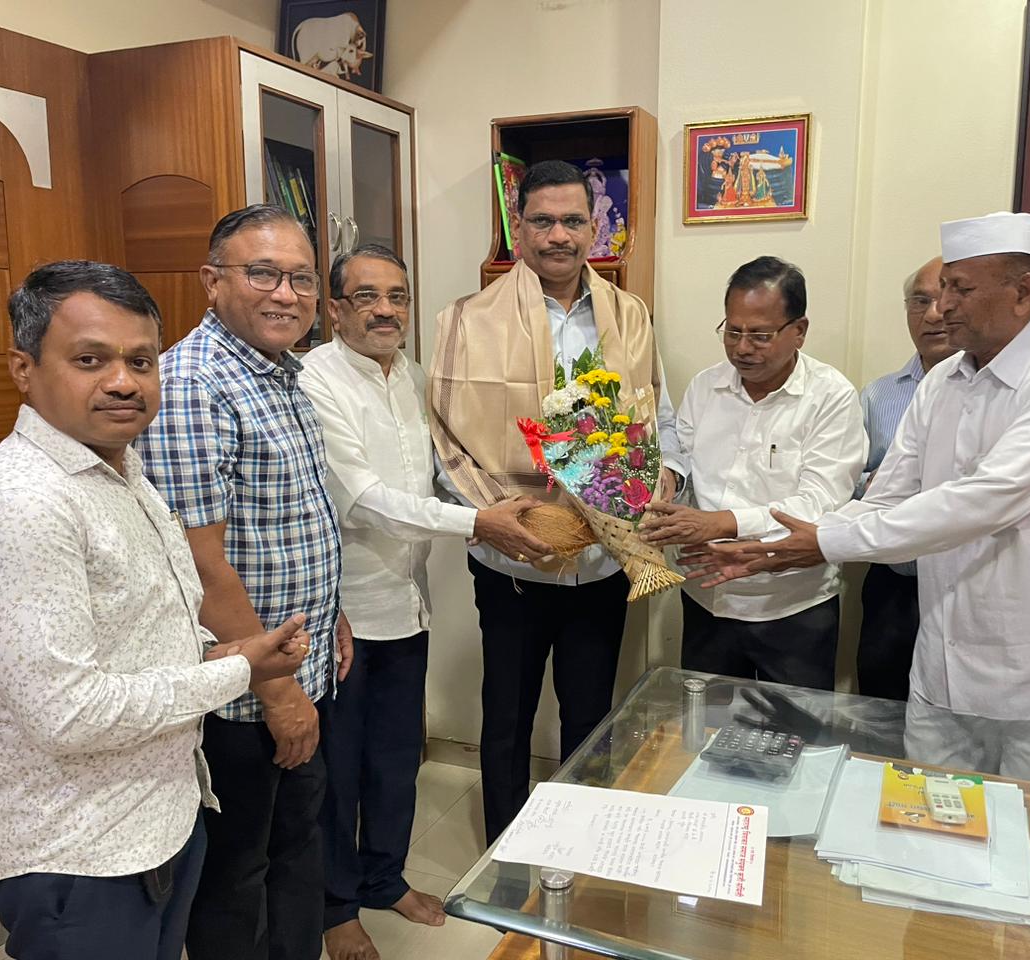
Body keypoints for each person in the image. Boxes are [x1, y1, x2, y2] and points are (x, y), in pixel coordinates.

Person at [0, 261, 311, 960]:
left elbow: (137, 633)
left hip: (158, 821)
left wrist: (220, 651)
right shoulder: (23, 504)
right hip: (82, 854)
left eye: (140, 361)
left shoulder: (117, 468)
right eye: (89, 360)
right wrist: (238, 671)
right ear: (23, 369)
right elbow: (69, 714)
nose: (123, 382)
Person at [682, 212, 1030, 781]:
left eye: (960, 290)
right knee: (931, 820)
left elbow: (986, 499)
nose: (941, 308)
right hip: (942, 668)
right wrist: (779, 548)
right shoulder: (940, 382)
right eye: (939, 291)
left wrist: (823, 542)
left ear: (1022, 292)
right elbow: (885, 496)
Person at [428, 159, 685, 844]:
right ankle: (504, 856)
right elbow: (445, 432)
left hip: (602, 561)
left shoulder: (630, 315)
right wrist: (497, 518)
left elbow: (656, 414)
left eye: (573, 220)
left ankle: (578, 843)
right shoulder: (467, 319)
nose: (558, 236)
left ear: (595, 228)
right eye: (542, 221)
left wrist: (660, 480)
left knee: (590, 713)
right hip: (511, 558)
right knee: (506, 715)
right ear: (518, 228)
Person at [300, 244, 543, 960]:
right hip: (342, 613)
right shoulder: (315, 380)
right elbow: (364, 499)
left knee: (397, 758)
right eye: (366, 297)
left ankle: (384, 878)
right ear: (335, 309)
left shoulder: (413, 377)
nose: (385, 311)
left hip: (408, 604)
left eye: (397, 297)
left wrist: (532, 491)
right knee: (339, 769)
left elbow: (446, 471)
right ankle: (337, 907)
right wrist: (480, 522)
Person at [138, 205, 351, 960]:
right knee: (238, 878)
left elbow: (288, 518)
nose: (287, 294)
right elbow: (201, 564)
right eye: (263, 274)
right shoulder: (194, 384)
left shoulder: (281, 372)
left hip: (299, 661)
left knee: (296, 847)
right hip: (244, 694)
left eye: (301, 278)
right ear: (212, 281)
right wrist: (277, 692)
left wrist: (332, 612)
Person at [640, 256, 865, 690]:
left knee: (796, 727)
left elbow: (819, 503)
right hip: (706, 598)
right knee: (706, 723)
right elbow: (685, 461)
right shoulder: (706, 387)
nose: (742, 348)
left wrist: (722, 523)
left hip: (792, 606)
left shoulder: (831, 396)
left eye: (760, 336)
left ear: (799, 330)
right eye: (733, 331)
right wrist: (669, 481)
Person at [852, 256, 955, 701]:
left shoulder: (995, 392)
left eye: (945, 298)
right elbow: (851, 482)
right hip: (893, 584)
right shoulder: (879, 395)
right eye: (919, 301)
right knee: (881, 707)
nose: (933, 314)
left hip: (962, 582)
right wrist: (876, 484)